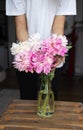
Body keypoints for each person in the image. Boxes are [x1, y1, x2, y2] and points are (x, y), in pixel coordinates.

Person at [6, 0, 76, 100]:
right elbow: (21, 26)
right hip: (26, 50)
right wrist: (29, 58)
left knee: (49, 97)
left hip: (52, 53)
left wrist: (54, 51)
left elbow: (58, 26)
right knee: (27, 98)